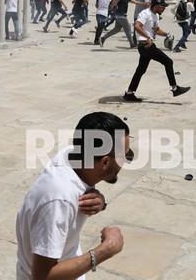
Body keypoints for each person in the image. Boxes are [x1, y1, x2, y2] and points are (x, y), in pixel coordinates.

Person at [16, 112, 128, 280]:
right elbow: (42, 276)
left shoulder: (72, 155)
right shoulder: (59, 200)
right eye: (124, 155)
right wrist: (105, 250)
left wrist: (101, 201)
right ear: (104, 162)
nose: (126, 161)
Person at [123, 0, 190, 101]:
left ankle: (129, 93)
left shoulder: (156, 16)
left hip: (147, 45)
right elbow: (137, 26)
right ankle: (175, 88)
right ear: (155, 6)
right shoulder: (145, 13)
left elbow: (156, 30)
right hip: (145, 45)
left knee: (141, 70)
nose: (163, 9)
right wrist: (148, 37)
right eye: (162, 7)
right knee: (168, 62)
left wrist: (167, 34)